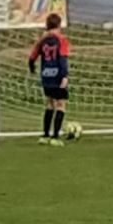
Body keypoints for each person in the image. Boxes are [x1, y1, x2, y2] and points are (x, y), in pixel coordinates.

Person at [28, 12, 71, 147]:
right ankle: (55, 137)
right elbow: (62, 59)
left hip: (46, 75)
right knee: (61, 105)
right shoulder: (62, 40)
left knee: (50, 103)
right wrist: (64, 76)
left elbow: (32, 57)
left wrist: (32, 68)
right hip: (57, 75)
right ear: (59, 25)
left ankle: (45, 136)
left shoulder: (42, 40)